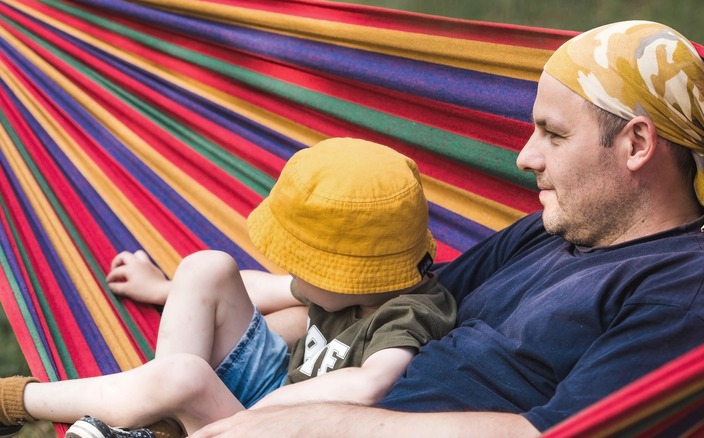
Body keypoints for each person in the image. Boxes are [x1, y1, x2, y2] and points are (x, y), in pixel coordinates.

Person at [183, 21, 704, 438]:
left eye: (554, 134)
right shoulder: (553, 230)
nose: (525, 157)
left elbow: (559, 433)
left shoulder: (694, 288)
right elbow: (393, 309)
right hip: (311, 401)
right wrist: (224, 340)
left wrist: (330, 425)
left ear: (636, 144)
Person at [0, 138, 456, 437]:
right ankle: (159, 421)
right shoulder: (349, 288)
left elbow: (370, 385)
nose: (294, 272)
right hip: (268, 396)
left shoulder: (410, 312)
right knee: (207, 266)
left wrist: (263, 412)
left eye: (308, 265)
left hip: (283, 428)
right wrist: (163, 289)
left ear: (352, 274)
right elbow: (263, 287)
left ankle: (16, 400)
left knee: (187, 377)